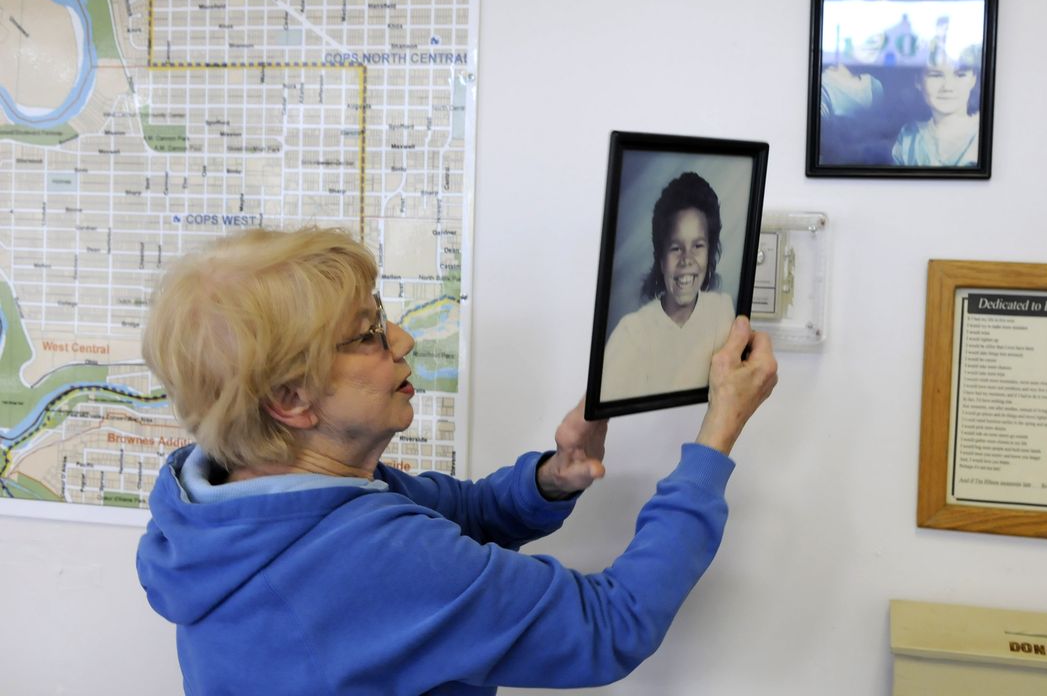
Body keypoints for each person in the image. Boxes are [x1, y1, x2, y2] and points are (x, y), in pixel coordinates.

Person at [135, 225, 777, 695]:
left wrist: (550, 479)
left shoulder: (229, 507)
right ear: (291, 400)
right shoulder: (370, 559)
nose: (402, 339)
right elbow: (612, 624)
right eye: (367, 334)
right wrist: (716, 437)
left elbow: (456, 509)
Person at [600, 171, 735, 401]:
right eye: (675, 248)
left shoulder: (722, 311)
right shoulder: (632, 334)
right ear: (660, 258)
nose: (686, 259)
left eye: (698, 246)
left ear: (711, 252)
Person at [891, 44, 982, 167]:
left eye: (960, 75)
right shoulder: (909, 137)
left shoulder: (983, 133)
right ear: (918, 81)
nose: (948, 87)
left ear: (973, 79)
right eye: (936, 75)